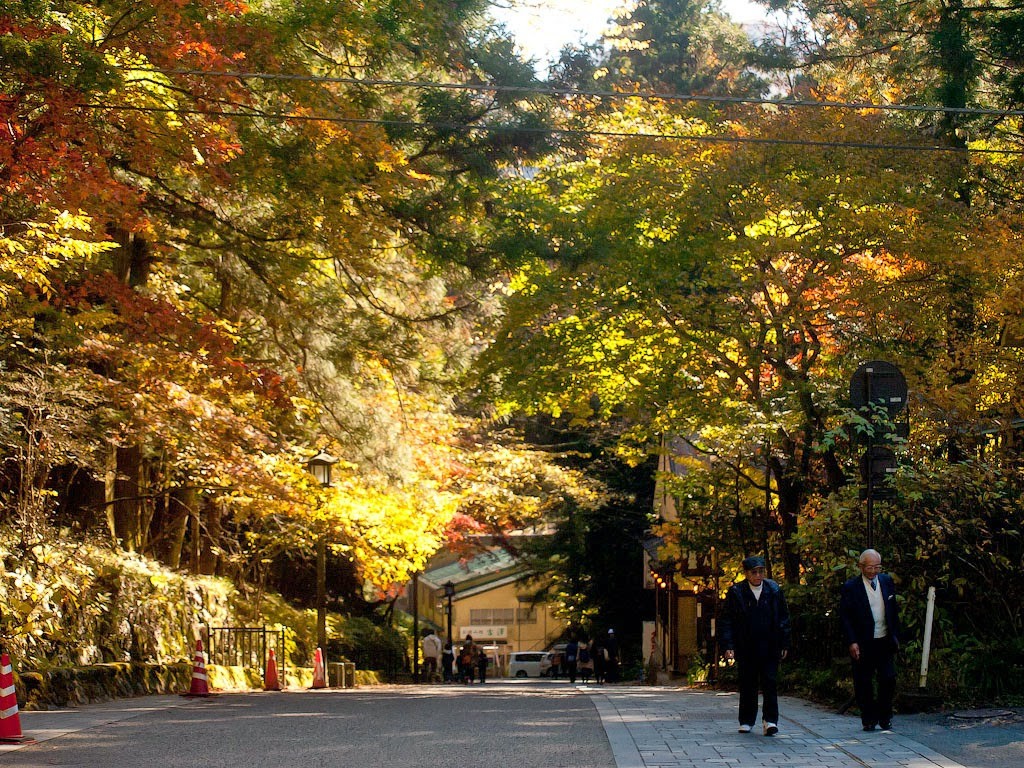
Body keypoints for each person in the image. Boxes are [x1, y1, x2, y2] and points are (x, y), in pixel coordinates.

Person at [720, 555, 791, 737]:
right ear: (746, 574)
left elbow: (783, 617)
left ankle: (770, 720)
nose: (758, 575)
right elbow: (727, 620)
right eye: (754, 572)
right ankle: (746, 720)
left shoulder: (773, 590)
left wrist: (784, 642)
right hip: (746, 644)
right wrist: (729, 645)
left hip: (770, 643)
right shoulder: (737, 592)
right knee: (748, 683)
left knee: (770, 682)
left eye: (761, 571)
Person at [840, 548, 901, 733]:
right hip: (863, 642)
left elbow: (893, 610)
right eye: (870, 567)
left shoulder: (887, 581)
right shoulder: (851, 587)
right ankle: (868, 719)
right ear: (860, 567)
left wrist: (896, 636)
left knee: (888, 679)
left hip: (884, 639)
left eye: (877, 567)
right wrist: (852, 641)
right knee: (863, 682)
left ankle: (885, 716)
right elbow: (845, 617)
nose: (874, 571)